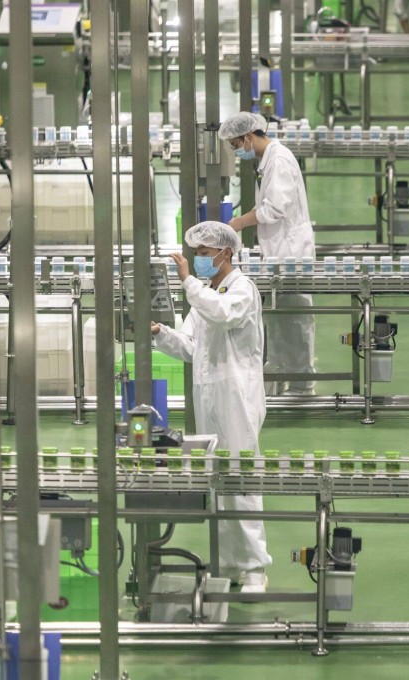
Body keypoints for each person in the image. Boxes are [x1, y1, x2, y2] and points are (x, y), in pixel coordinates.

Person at [150, 221, 271, 593]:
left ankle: (255, 568)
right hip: (208, 396)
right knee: (218, 479)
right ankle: (230, 563)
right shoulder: (207, 293)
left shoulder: (241, 290)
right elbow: (191, 346)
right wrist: (160, 334)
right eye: (196, 253)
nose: (198, 259)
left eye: (204, 253)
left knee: (241, 478)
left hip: (236, 394)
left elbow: (223, 314)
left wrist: (188, 282)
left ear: (225, 253)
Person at [220, 111, 316, 397]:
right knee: (278, 317)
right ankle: (279, 376)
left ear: (249, 136)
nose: (238, 152)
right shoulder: (269, 160)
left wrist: (236, 224)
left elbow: (274, 209)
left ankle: (301, 384)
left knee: (294, 317)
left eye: (237, 145)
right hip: (280, 252)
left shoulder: (280, 160)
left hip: (291, 254)